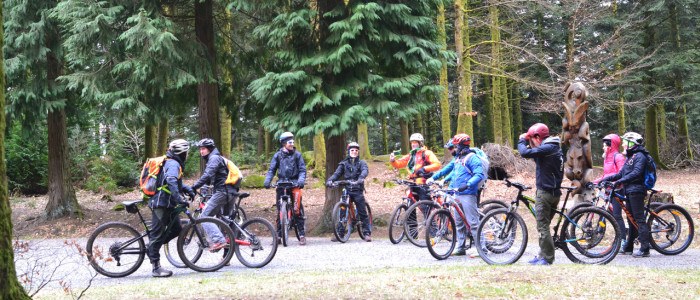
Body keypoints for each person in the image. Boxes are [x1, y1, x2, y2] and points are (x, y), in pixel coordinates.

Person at [147, 139, 196, 277]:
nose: (187, 154)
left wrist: (188, 190)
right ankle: (156, 267)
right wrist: (179, 199)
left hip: (167, 203)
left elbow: (175, 182)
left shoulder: (173, 163)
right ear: (182, 152)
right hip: (161, 203)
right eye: (186, 152)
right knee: (156, 235)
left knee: (176, 229)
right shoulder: (173, 163)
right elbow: (171, 181)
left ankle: (151, 248)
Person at [518, 123, 564, 265]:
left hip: (545, 193)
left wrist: (522, 140)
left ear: (538, 137)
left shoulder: (547, 148)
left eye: (532, 138)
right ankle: (540, 255)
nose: (531, 141)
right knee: (544, 226)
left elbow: (524, 153)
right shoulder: (552, 147)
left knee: (542, 226)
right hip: (554, 193)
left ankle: (547, 258)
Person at [599, 132, 651, 257]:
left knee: (638, 219)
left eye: (625, 142)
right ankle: (629, 246)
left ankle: (645, 248)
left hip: (637, 190)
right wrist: (606, 180)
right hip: (629, 190)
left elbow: (636, 173)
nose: (623, 144)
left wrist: (619, 182)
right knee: (630, 218)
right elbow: (621, 173)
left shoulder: (640, 156)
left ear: (631, 143)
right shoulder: (630, 157)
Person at [190, 138, 242, 253]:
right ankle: (226, 257)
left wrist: (193, 187)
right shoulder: (215, 159)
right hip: (231, 192)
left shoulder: (214, 158)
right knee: (225, 223)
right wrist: (203, 192)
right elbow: (210, 178)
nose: (201, 152)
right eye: (200, 149)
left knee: (204, 217)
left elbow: (207, 175)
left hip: (222, 192)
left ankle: (218, 241)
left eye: (203, 149)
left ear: (209, 149)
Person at [438, 134, 484, 257]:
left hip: (468, 193)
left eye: (456, 146)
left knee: (473, 222)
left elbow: (479, 175)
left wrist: (468, 184)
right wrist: (443, 181)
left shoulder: (472, 157)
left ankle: (482, 248)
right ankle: (461, 247)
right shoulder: (458, 158)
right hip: (457, 193)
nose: (454, 148)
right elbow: (453, 174)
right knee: (459, 223)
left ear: (461, 146)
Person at [390, 133, 441, 238]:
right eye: (411, 142)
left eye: (415, 142)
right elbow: (399, 164)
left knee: (426, 208)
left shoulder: (427, 153)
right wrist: (393, 161)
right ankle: (413, 235)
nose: (413, 144)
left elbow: (437, 164)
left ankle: (434, 234)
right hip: (412, 183)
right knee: (410, 209)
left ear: (420, 143)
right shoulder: (411, 155)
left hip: (422, 184)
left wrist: (424, 169)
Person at [264, 132, 308, 245]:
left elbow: (302, 169)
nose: (292, 144)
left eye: (293, 142)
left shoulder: (297, 155)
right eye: (290, 142)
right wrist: (267, 180)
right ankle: (278, 236)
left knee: (297, 209)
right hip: (281, 184)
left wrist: (301, 180)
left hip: (294, 184)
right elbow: (272, 170)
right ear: (284, 143)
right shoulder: (278, 155)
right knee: (280, 211)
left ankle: (302, 234)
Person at [327, 142, 371, 242]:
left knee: (362, 210)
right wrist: (330, 180)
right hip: (347, 188)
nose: (354, 152)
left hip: (357, 189)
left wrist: (360, 178)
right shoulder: (344, 163)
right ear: (348, 152)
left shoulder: (361, 163)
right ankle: (340, 233)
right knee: (342, 211)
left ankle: (367, 233)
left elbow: (365, 170)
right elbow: (337, 173)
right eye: (352, 150)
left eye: (356, 150)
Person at [591, 134, 627, 243]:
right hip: (608, 190)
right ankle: (623, 234)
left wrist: (614, 183)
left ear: (611, 146)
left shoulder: (619, 157)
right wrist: (593, 182)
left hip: (617, 189)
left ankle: (623, 240)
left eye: (604, 145)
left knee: (617, 215)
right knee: (610, 213)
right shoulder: (606, 158)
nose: (603, 147)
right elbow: (605, 175)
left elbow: (622, 174)